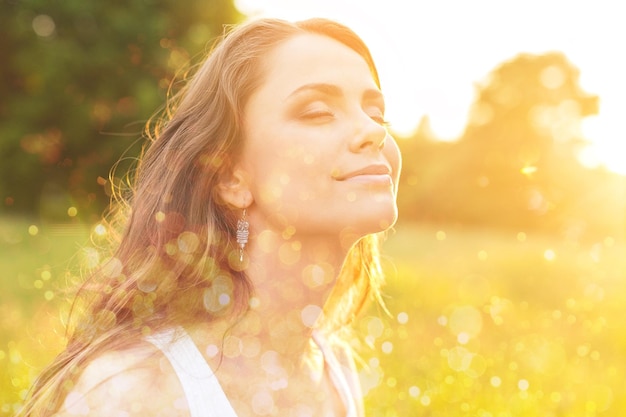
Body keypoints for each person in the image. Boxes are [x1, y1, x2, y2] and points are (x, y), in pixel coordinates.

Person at [18, 16, 401, 417]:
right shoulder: (131, 392)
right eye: (319, 111)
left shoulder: (335, 370)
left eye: (376, 113)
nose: (372, 131)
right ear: (230, 177)